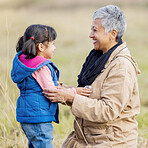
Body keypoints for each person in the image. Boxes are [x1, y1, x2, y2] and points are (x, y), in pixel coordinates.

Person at [43, 5, 141, 148]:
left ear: (112, 34)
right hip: (87, 138)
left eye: (95, 30)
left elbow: (108, 110)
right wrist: (61, 90)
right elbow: (89, 92)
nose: (90, 34)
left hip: (111, 142)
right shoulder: (99, 58)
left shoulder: (121, 66)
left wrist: (70, 97)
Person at [11, 24, 91, 148]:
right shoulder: (41, 67)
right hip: (39, 118)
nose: (54, 47)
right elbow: (52, 92)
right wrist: (74, 91)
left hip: (27, 115)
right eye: (52, 43)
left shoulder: (24, 62)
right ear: (41, 46)